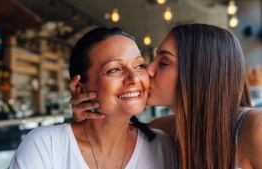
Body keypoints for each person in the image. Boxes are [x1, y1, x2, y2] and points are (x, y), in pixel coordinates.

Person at [69, 23, 262, 169]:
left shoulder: (256, 129)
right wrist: (85, 118)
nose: (147, 71)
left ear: (199, 71)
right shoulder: (166, 130)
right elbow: (109, 136)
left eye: (163, 62)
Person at [9, 27, 177, 169]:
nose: (134, 78)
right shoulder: (46, 145)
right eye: (114, 70)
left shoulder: (160, 145)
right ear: (80, 88)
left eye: (139, 65)